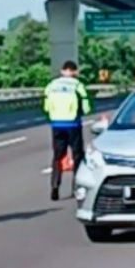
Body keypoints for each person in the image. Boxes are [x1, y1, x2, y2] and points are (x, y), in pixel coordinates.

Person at [44, 60, 92, 201]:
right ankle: (76, 187)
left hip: (57, 125)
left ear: (62, 71)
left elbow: (46, 107)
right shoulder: (78, 85)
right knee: (77, 156)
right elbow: (87, 108)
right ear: (75, 72)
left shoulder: (52, 85)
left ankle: (55, 185)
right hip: (73, 124)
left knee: (58, 156)